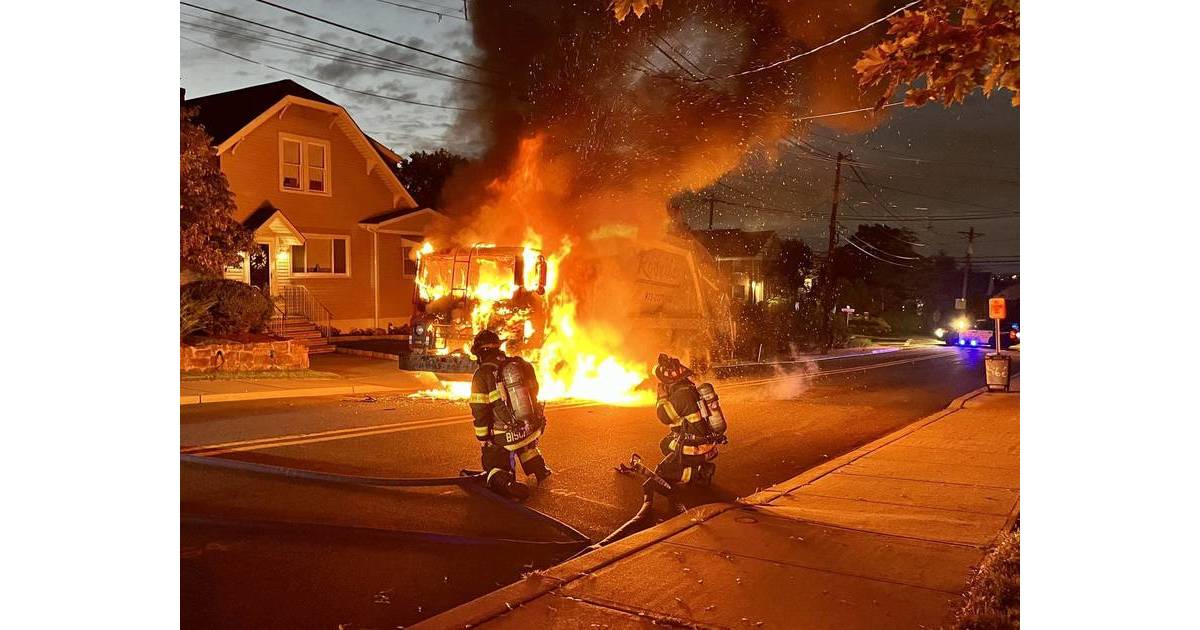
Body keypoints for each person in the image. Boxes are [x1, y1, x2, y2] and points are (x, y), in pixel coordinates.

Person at [468, 329, 551, 499]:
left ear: (479, 352)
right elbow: (534, 390)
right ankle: (540, 469)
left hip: (506, 433)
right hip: (530, 428)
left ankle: (507, 484)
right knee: (527, 447)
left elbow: (480, 410)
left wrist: (483, 439)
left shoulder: (482, 374)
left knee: (493, 462)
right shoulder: (519, 364)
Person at [652, 354, 721, 488]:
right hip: (707, 444)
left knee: (662, 472)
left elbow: (664, 417)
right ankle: (694, 464)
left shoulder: (681, 395)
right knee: (665, 443)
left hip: (696, 448)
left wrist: (661, 398)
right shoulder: (690, 388)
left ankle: (700, 473)